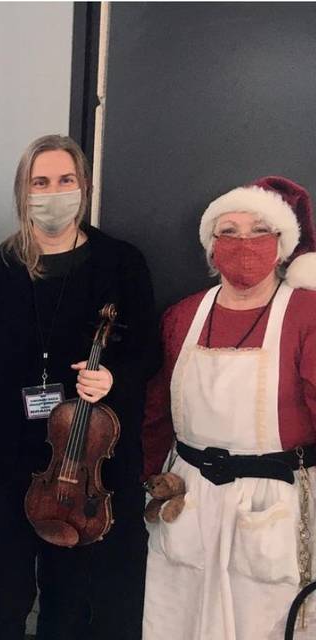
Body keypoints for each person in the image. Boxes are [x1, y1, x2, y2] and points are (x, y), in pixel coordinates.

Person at [0, 134, 158, 639]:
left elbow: (148, 351)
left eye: (65, 180)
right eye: (40, 181)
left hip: (85, 464)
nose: (53, 191)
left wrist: (114, 377)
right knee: (2, 597)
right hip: (6, 462)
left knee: (71, 603)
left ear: (83, 187)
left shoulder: (121, 264)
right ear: (24, 191)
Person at [142, 176, 316, 640]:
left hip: (271, 506)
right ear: (211, 247)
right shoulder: (183, 316)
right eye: (230, 231)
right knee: (177, 621)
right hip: (189, 498)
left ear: (281, 246)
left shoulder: (306, 315)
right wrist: (146, 478)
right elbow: (156, 411)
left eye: (259, 231)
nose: (244, 244)